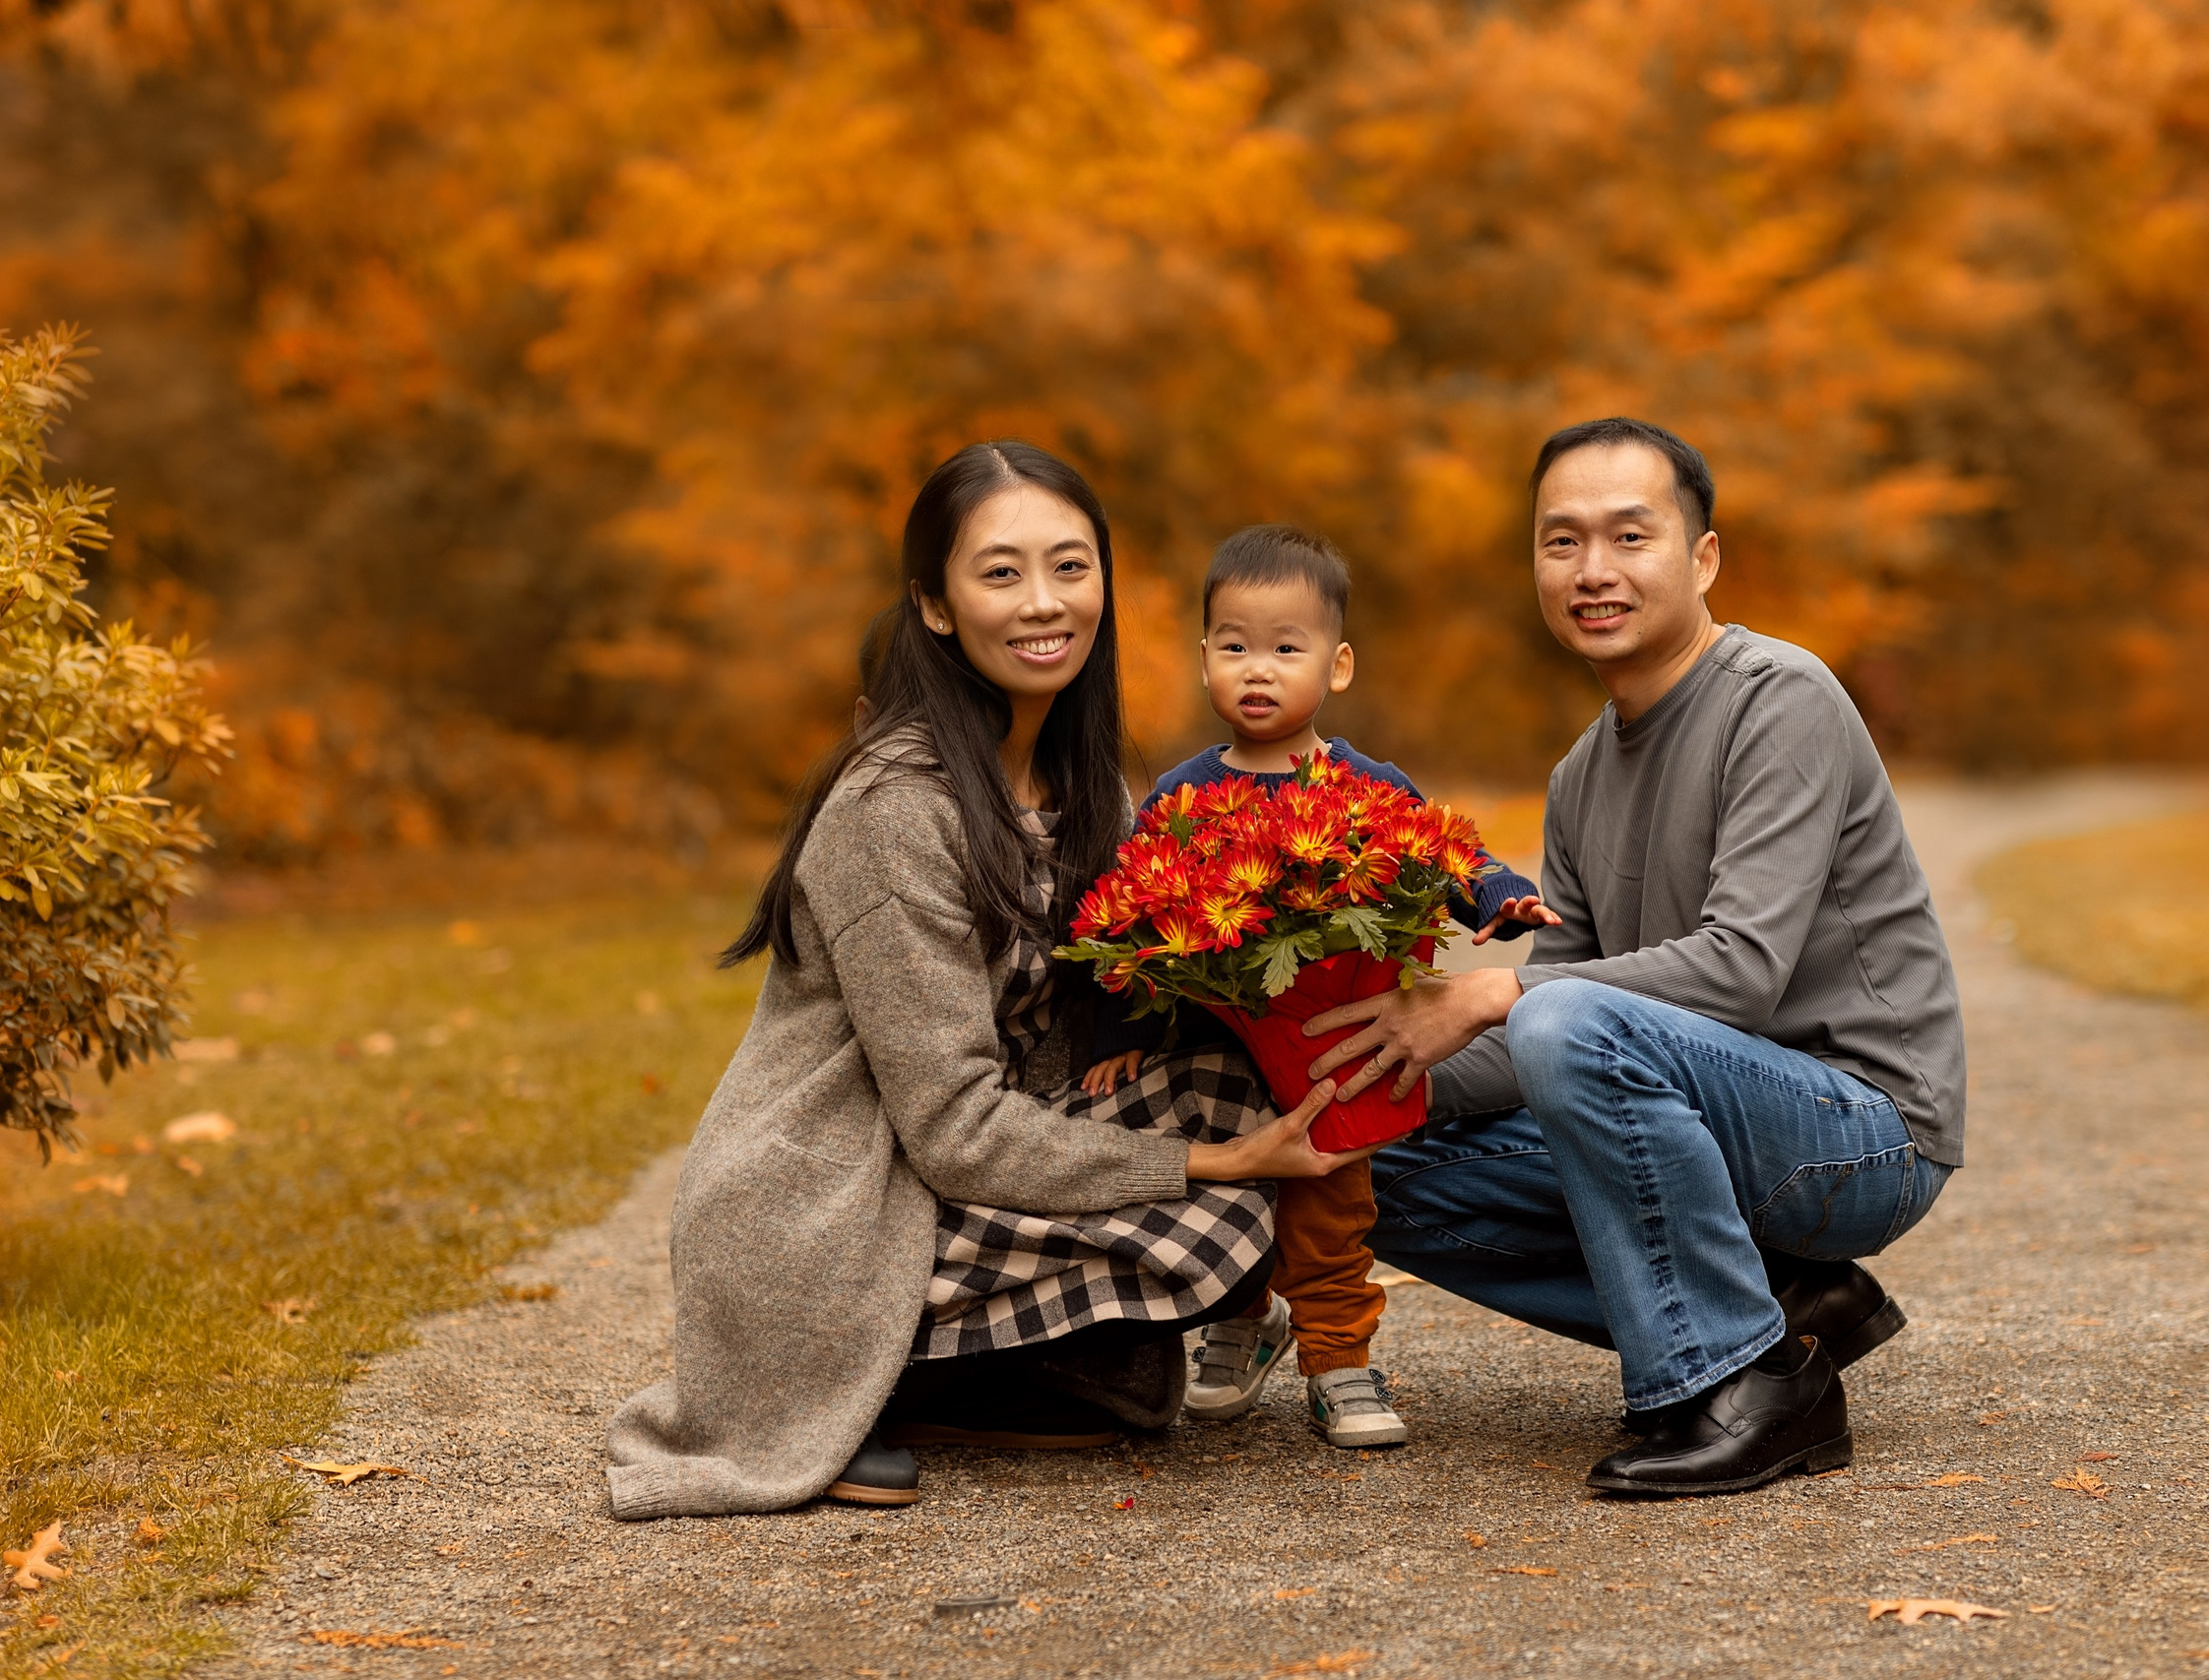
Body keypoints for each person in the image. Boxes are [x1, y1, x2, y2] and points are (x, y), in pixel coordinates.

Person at [605, 443, 1359, 1520]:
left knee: (1247, 1098)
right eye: (1000, 574)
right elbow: (953, 1126)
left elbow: (1123, 1008)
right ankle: (846, 1379)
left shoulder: (1084, 778)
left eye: (1070, 566)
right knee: (1220, 1205)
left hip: (957, 1156)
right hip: (831, 1198)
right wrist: (1207, 1159)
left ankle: (974, 1373)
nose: (1044, 603)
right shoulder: (894, 809)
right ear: (938, 606)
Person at [1302, 417, 1965, 1497]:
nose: (1592, 571)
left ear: (1701, 557)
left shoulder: (1778, 698)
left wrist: (1484, 992)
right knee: (1367, 1149)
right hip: (1705, 1123)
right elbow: (1553, 1044)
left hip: (1859, 1133)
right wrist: (1351, 1069)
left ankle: (1750, 1383)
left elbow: (1734, 971)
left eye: (1628, 537)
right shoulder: (1578, 777)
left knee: (1556, 1013)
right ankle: (1783, 1304)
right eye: (1561, 543)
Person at [1077, 526, 1558, 1449]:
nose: (1258, 669)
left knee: (1333, 1207)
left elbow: (1443, 852)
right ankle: (1242, 1318)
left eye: (1285, 648)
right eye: (1234, 646)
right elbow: (1123, 921)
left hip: (1330, 1048)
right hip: (1217, 1060)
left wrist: (1503, 897)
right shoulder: (1178, 800)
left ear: (1335, 666)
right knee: (1233, 1197)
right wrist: (1118, 1033)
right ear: (1203, 658)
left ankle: (1340, 1359)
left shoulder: (1361, 784)